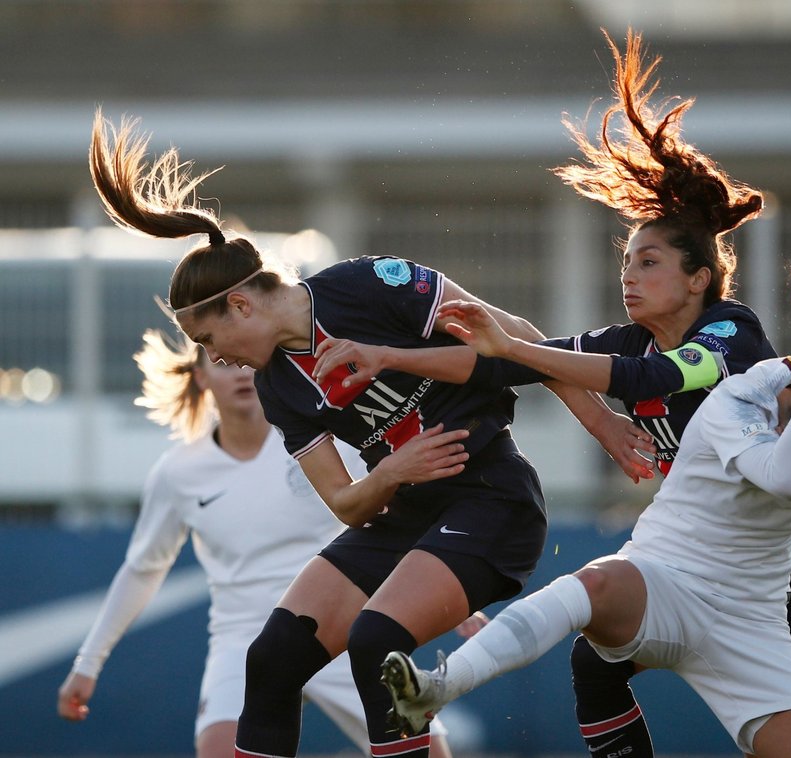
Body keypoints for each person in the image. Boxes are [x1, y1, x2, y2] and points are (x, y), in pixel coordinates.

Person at [86, 110, 638, 758]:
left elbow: (511, 334)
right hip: (405, 512)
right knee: (270, 660)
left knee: (377, 640)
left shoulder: (365, 285)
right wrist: (392, 473)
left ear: (241, 305)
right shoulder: (277, 386)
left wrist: (603, 421)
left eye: (211, 340)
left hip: (492, 499)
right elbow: (346, 503)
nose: (218, 357)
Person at [381, 333, 791, 758]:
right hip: (663, 581)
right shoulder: (736, 400)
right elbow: (789, 473)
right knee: (593, 584)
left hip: (752, 625)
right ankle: (439, 686)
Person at [54, 329, 454, 757]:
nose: (238, 372)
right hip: (242, 640)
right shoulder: (177, 472)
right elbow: (143, 569)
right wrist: (88, 662)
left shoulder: (322, 440)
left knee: (430, 754)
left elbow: (400, 512)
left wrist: (455, 587)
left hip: (341, 626)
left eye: (245, 360)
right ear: (200, 376)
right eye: (220, 363)